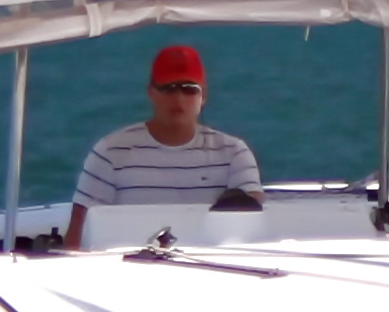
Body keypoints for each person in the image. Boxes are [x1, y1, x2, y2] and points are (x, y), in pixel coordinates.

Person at [62, 41, 264, 248]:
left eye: (189, 89)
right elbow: (78, 235)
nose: (178, 98)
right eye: (169, 88)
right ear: (151, 92)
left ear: (203, 96)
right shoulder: (110, 154)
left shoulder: (234, 154)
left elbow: (253, 224)